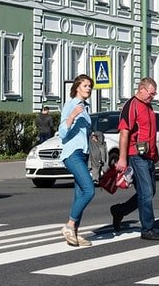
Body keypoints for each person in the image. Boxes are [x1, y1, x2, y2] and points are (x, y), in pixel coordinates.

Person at [111, 77, 159, 241]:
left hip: (148, 156)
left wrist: (155, 153)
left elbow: (150, 132)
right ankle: (147, 228)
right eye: (151, 93)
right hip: (136, 155)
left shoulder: (148, 106)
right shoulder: (131, 105)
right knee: (146, 192)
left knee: (149, 191)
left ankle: (120, 211)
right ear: (142, 89)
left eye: (154, 94)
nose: (152, 97)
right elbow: (124, 132)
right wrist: (122, 158)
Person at [59, 74, 95, 247]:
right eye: (85, 85)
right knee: (89, 190)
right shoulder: (71, 104)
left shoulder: (85, 107)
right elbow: (62, 134)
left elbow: (81, 133)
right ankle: (69, 225)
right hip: (72, 154)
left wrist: (91, 135)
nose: (88, 88)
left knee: (80, 194)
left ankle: (74, 233)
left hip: (83, 153)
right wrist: (71, 117)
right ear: (77, 87)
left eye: (90, 86)